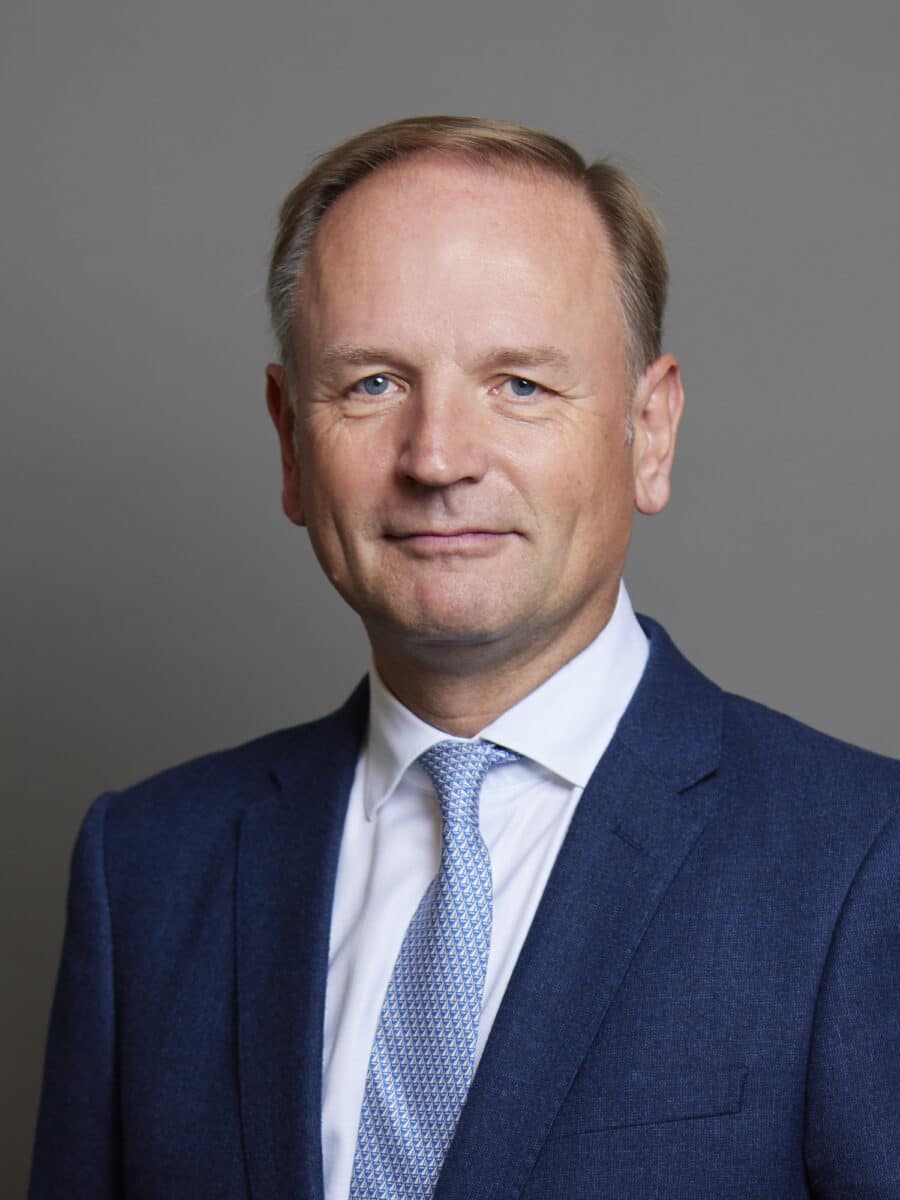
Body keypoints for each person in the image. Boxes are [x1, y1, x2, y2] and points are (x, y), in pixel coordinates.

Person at [31, 116, 899, 1199]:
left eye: (520, 385)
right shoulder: (147, 871)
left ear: (652, 429)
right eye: (373, 385)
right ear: (290, 444)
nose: (438, 458)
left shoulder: (865, 864)